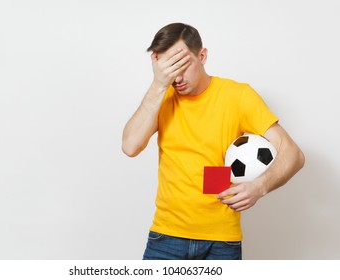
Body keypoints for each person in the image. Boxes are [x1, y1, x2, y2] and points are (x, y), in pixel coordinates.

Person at [121, 23, 305, 260]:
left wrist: (260, 187)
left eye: (182, 64)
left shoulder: (237, 96)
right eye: (168, 67)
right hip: (166, 237)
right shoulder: (160, 97)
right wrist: (158, 84)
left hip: (221, 242)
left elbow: (293, 154)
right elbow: (130, 146)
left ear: (202, 56)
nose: (176, 76)